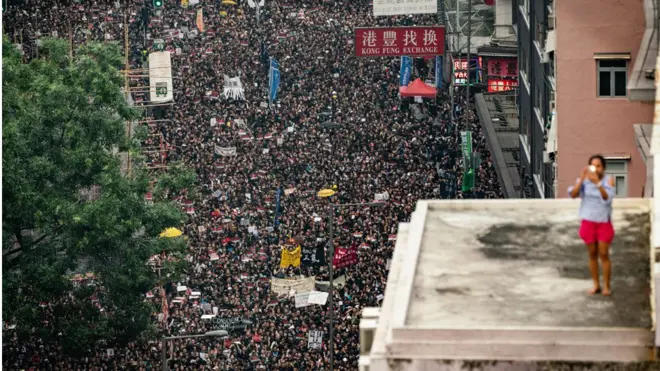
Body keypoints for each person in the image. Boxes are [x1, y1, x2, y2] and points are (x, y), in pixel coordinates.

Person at [568, 154, 616, 296]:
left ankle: (606, 285)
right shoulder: (584, 181)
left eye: (599, 166)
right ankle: (596, 284)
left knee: (604, 253)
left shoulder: (609, 181)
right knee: (592, 254)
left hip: (603, 221)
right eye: (593, 166)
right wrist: (582, 179)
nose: (596, 169)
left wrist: (598, 184)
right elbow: (573, 194)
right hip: (588, 220)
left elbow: (607, 199)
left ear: (604, 168)